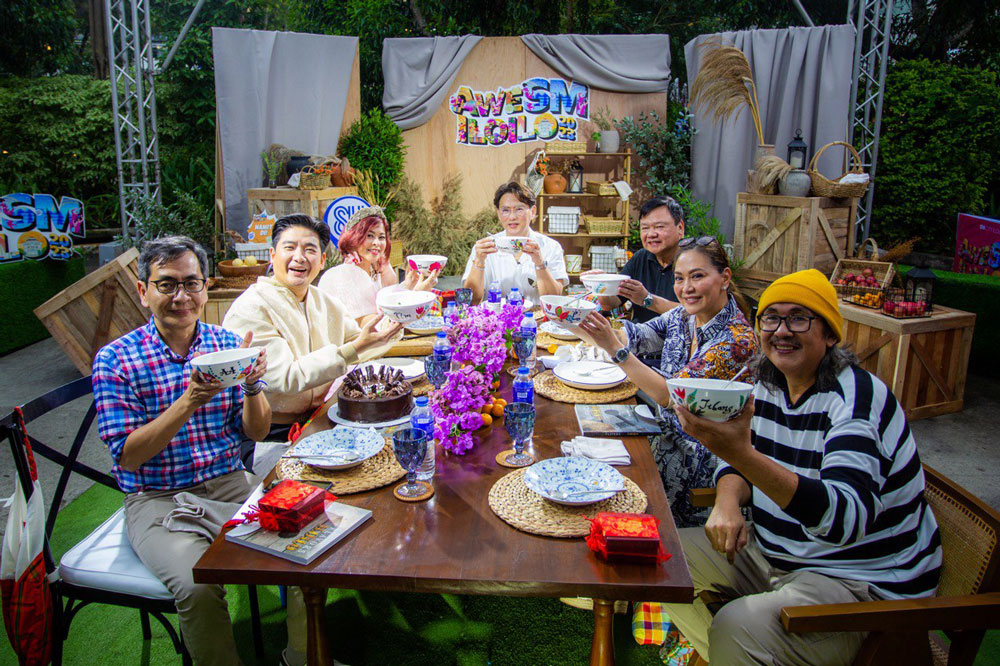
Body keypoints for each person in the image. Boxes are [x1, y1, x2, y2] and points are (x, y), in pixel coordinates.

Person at [663, 269, 942, 665]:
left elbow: (843, 520)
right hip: (775, 555)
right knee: (661, 561)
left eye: (798, 318)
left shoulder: (855, 401)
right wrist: (726, 502)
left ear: (829, 334)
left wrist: (740, 455)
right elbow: (738, 458)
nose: (781, 331)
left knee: (736, 626)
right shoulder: (768, 385)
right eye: (771, 318)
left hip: (861, 586)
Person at [92, 236, 277, 665]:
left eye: (191, 284)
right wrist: (189, 399)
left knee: (305, 540)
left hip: (230, 482)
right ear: (143, 291)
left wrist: (252, 384)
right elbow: (128, 456)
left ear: (206, 287)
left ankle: (301, 654)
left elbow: (257, 430)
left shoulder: (225, 343)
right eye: (167, 285)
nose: (182, 297)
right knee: (196, 585)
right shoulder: (115, 360)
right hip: (156, 499)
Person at [578, 237, 758, 527]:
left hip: (698, 476)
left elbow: (669, 397)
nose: (686, 288)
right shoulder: (684, 317)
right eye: (679, 278)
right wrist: (573, 320)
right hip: (660, 444)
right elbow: (632, 337)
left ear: (724, 278)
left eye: (697, 276)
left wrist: (613, 348)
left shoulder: (737, 341)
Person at [224, 213, 402, 437]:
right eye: (289, 248)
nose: (299, 257)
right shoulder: (251, 308)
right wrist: (356, 348)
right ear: (272, 255)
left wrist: (402, 315)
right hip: (273, 435)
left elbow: (363, 341)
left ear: (322, 260)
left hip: (323, 417)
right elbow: (287, 378)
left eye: (309, 250)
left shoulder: (323, 301)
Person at [318, 205, 438, 326]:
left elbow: (392, 307)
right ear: (353, 239)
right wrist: (417, 296)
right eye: (369, 236)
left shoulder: (377, 270)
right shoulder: (341, 276)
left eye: (381, 237)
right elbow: (372, 328)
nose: (376, 243)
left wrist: (409, 285)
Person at [462, 181, 569, 303]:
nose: (512, 217)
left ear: (533, 212)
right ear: (498, 213)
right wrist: (479, 262)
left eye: (519, 209)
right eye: (506, 210)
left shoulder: (550, 247)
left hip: (535, 319)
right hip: (496, 319)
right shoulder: (484, 248)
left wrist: (539, 263)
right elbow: (470, 301)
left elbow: (554, 299)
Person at [594, 196, 685, 323]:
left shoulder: (692, 261)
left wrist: (647, 299)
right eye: (645, 228)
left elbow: (696, 314)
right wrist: (601, 286)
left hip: (680, 340)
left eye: (659, 227)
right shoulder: (641, 257)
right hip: (640, 337)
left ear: (680, 228)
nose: (651, 234)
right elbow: (612, 304)